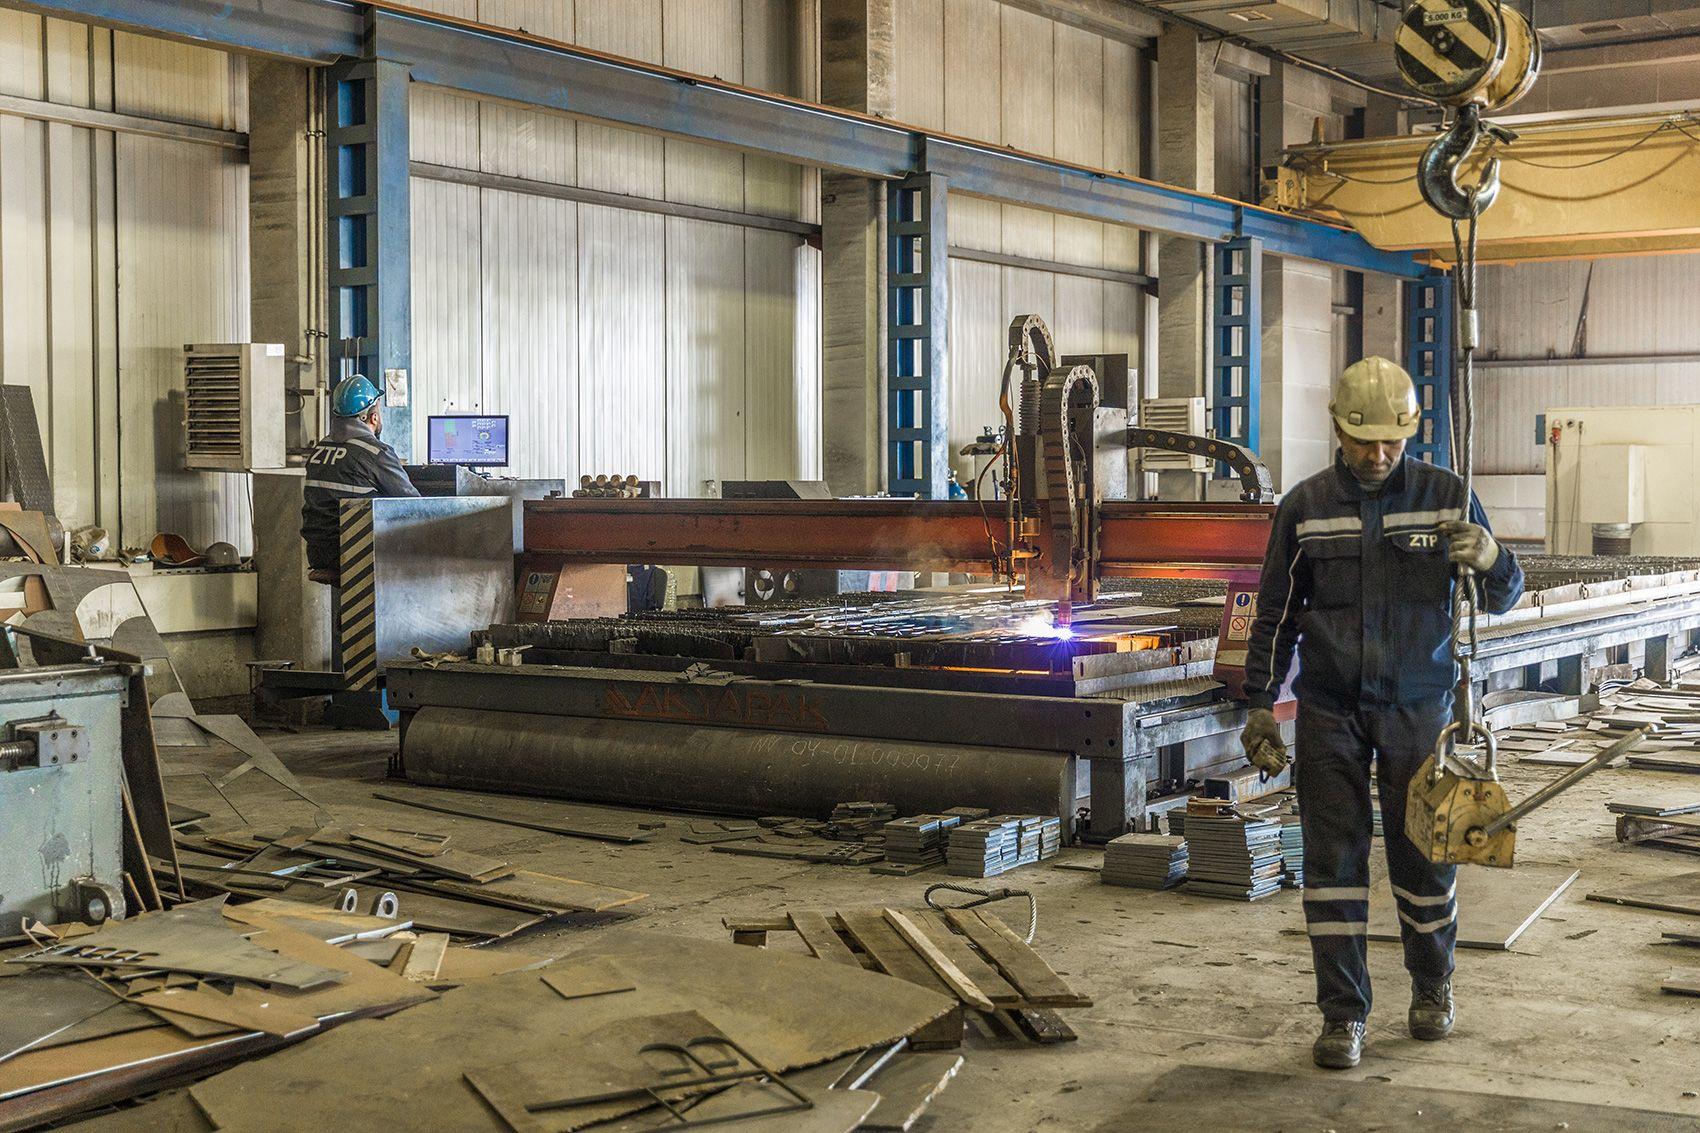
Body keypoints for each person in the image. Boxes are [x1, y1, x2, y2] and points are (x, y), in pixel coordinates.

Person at [1238, 356, 1524, 1070]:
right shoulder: (1305, 507)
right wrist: (1260, 705)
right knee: (1333, 864)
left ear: (1410, 432)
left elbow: (1502, 597)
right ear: (1337, 428)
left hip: (1418, 707)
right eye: (1364, 441)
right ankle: (1342, 1014)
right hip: (1330, 710)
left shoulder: (1447, 495)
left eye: (1392, 440)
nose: (1378, 454)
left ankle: (1432, 984)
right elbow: (1274, 614)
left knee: (1424, 855)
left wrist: (1492, 557)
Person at [300, 375, 419, 585]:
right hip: (353, 552)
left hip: (318, 552)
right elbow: (413, 504)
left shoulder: (320, 449)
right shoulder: (375, 453)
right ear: (373, 417)